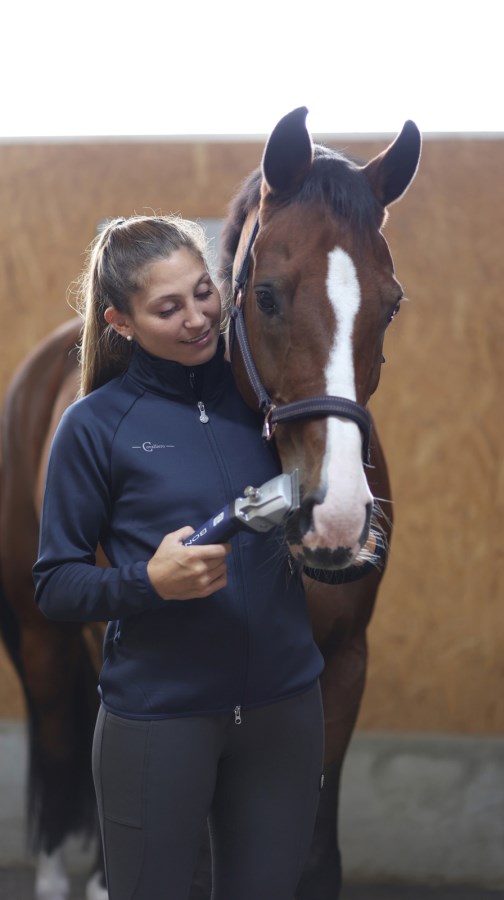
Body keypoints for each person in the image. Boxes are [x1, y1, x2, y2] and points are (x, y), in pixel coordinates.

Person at [32, 214, 327, 900]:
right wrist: (150, 581)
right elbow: (55, 585)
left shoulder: (267, 402)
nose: (197, 319)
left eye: (203, 293)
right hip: (159, 719)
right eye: (168, 309)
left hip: (286, 711)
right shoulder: (94, 426)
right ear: (121, 323)